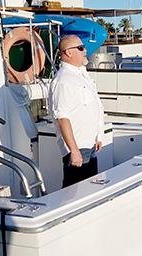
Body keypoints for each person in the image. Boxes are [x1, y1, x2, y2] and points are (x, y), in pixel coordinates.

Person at [48, 35, 105, 188]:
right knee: (74, 191)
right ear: (68, 52)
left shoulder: (79, 74)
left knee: (90, 189)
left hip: (89, 145)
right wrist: (74, 151)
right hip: (78, 147)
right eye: (80, 48)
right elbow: (62, 117)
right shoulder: (63, 80)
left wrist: (97, 135)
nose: (85, 50)